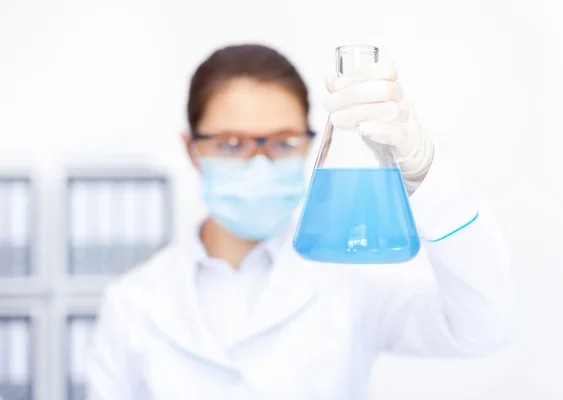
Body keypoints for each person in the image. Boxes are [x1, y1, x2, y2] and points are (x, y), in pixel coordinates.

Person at [85, 44, 514, 399]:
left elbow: (482, 329)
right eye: (231, 144)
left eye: (282, 143)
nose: (258, 164)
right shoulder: (132, 304)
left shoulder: (352, 278)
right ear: (191, 150)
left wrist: (428, 177)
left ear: (310, 143)